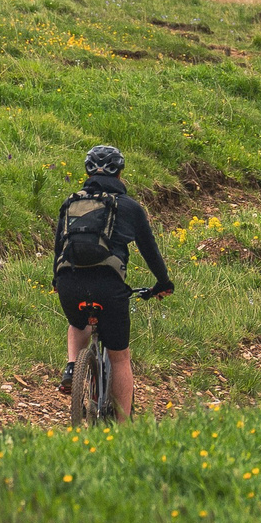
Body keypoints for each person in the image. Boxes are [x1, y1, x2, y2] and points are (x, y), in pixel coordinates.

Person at [53, 144, 174, 418]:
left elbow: (59, 245)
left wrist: (56, 280)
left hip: (69, 283)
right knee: (120, 358)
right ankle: (122, 427)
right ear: (120, 173)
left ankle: (73, 365)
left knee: (77, 322)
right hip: (109, 287)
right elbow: (149, 250)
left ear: (87, 172)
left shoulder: (71, 203)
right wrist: (163, 282)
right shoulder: (129, 207)